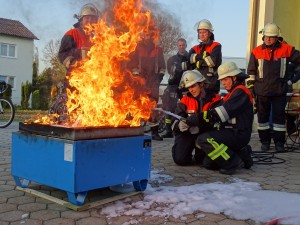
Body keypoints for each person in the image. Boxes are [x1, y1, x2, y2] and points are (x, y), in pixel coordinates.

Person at [184, 62, 254, 175]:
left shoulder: (241, 92)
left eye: (225, 79)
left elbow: (221, 113)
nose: (223, 83)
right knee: (208, 163)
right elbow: (216, 108)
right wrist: (201, 117)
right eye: (222, 80)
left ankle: (232, 162)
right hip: (231, 132)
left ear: (234, 77)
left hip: (238, 134)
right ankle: (241, 154)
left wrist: (198, 118)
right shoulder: (231, 94)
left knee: (203, 139)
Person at [247, 22, 300, 152]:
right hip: (261, 91)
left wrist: (290, 81)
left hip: (279, 90)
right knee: (262, 119)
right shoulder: (256, 51)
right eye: (266, 36)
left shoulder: (286, 49)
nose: (268, 39)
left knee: (279, 119)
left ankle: (279, 144)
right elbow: (251, 72)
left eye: (271, 36)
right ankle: (264, 142)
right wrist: (251, 90)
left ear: (277, 37)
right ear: (263, 36)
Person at [49, 3, 101, 118]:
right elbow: (62, 53)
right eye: (87, 17)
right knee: (75, 106)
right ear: (81, 20)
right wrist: (74, 59)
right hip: (75, 78)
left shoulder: (97, 37)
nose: (90, 20)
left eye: (93, 18)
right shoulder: (72, 33)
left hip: (92, 79)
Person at [171, 69, 221, 166]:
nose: (191, 90)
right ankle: (182, 150)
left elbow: (217, 121)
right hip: (188, 134)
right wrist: (179, 125)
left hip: (205, 135)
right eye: (189, 87)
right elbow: (175, 120)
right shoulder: (185, 100)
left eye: (193, 86)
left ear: (201, 83)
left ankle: (199, 153)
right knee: (180, 159)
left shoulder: (215, 99)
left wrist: (200, 128)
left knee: (203, 161)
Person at [128, 25, 166, 141]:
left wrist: (158, 78)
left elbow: (162, 66)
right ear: (143, 35)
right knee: (136, 104)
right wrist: (137, 77)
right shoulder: (137, 48)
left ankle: (154, 132)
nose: (148, 36)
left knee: (153, 107)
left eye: (150, 35)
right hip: (139, 81)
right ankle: (133, 129)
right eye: (146, 34)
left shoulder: (158, 49)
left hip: (153, 81)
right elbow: (132, 65)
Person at [162, 38, 189, 138]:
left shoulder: (189, 58)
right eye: (180, 45)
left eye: (183, 45)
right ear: (177, 46)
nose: (181, 47)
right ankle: (168, 130)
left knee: (184, 108)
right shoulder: (172, 59)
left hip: (185, 88)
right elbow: (170, 72)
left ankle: (183, 129)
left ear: (186, 45)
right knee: (169, 108)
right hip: (173, 86)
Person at [188, 19, 222, 95]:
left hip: (212, 85)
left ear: (210, 33)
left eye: (204, 32)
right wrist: (204, 56)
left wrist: (196, 60)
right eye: (200, 32)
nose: (202, 34)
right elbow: (189, 61)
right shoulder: (195, 48)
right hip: (198, 85)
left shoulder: (216, 46)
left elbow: (212, 62)